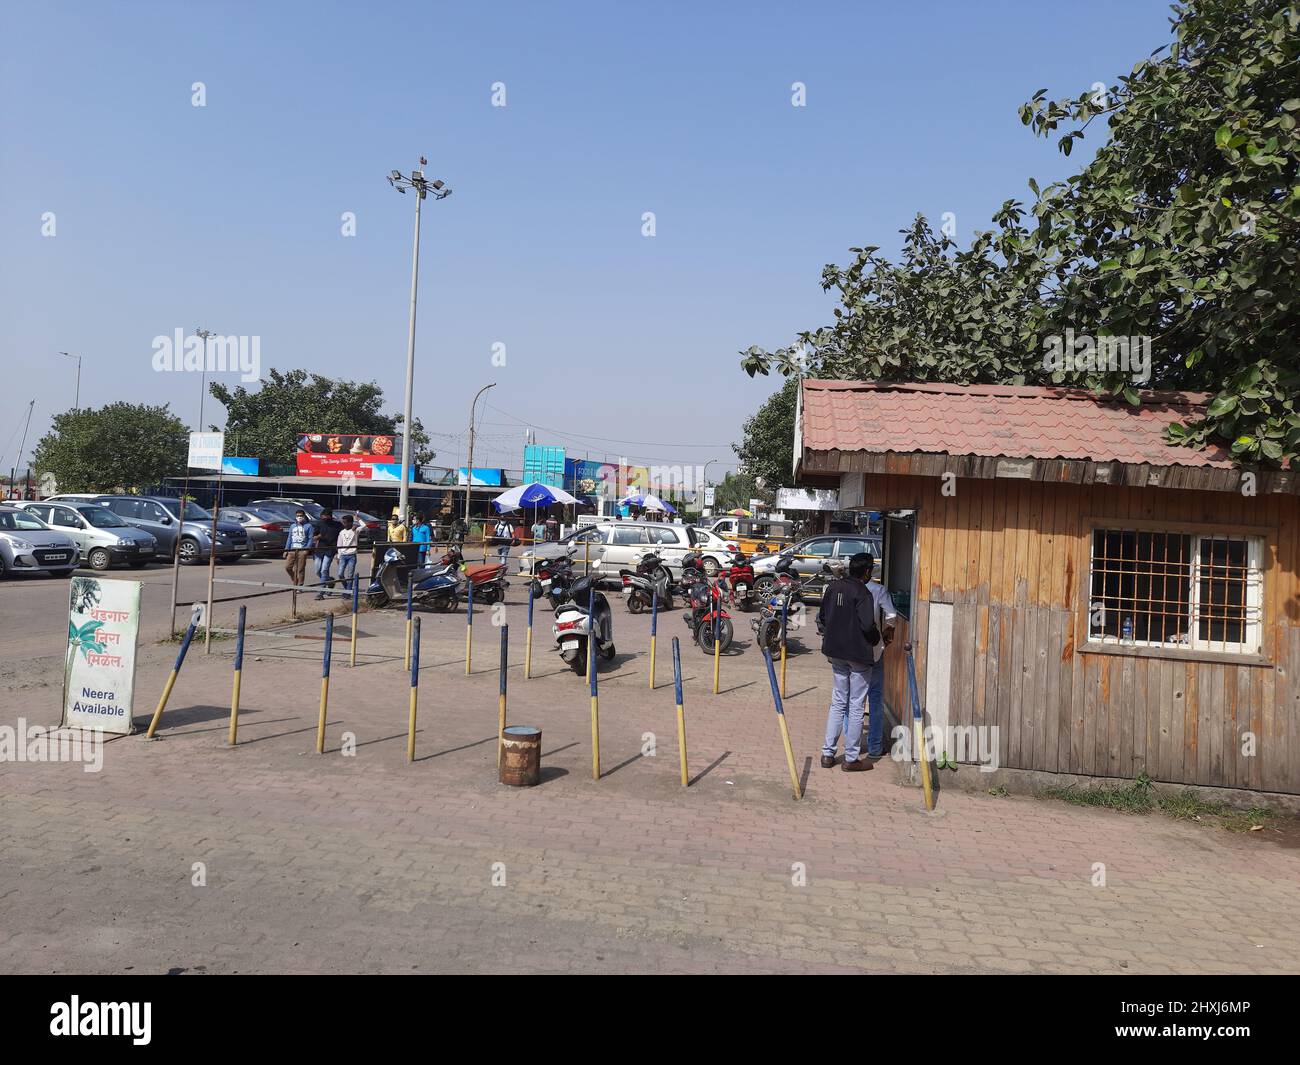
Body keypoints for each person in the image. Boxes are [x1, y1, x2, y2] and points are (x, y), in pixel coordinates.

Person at [816, 551, 882, 772]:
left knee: (838, 702)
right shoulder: (863, 592)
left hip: (835, 652)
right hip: (858, 656)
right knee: (855, 707)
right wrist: (876, 641)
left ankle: (828, 754)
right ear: (867, 572)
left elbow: (822, 618)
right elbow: (867, 626)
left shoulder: (834, 587)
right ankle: (851, 758)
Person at [863, 554, 898, 761]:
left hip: (848, 653)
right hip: (874, 651)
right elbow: (892, 616)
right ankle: (875, 747)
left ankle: (851, 744)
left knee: (850, 700)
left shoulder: (845, 588)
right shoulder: (878, 590)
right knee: (875, 699)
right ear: (868, 571)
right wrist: (888, 634)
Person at [312, 508, 344, 599]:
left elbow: (344, 534)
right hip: (319, 550)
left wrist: (339, 552)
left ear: (330, 516)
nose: (325, 517)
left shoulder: (337, 525)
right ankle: (330, 581)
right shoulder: (319, 524)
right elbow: (314, 536)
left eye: (327, 516)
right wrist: (317, 537)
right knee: (318, 571)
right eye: (323, 516)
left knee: (324, 570)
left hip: (330, 550)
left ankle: (321, 593)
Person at [283, 508, 314, 590]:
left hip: (302, 550)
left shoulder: (309, 526)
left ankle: (299, 586)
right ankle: (295, 580)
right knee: (287, 567)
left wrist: (306, 550)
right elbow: (289, 538)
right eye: (297, 516)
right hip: (292, 549)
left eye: (301, 516)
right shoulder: (293, 526)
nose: (299, 517)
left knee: (300, 569)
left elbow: (311, 539)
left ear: (304, 516)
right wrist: (286, 550)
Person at [336, 514, 359, 595]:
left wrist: (356, 520)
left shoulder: (355, 530)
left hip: (352, 555)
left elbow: (363, 525)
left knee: (350, 575)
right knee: (340, 574)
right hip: (343, 555)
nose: (344, 524)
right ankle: (346, 588)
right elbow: (339, 544)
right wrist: (338, 556)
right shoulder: (342, 532)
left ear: (350, 523)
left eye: (346, 522)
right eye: (343, 522)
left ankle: (348, 592)